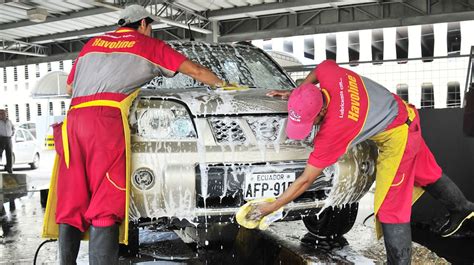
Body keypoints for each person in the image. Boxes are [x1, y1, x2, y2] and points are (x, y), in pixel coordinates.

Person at [45, 5, 228, 265]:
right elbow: (196, 72)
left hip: (73, 122)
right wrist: (226, 85)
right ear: (143, 23)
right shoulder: (147, 44)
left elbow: (70, 86)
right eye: (150, 26)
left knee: (73, 196)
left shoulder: (91, 45)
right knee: (105, 197)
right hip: (104, 124)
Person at [250, 59, 474, 264]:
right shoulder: (331, 76)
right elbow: (321, 68)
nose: (309, 128)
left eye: (311, 122)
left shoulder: (337, 127)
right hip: (406, 115)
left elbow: (306, 179)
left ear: (323, 110)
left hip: (398, 137)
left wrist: (273, 206)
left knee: (390, 207)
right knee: (428, 172)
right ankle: (462, 209)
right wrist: (299, 92)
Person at [0, 109, 14, 174]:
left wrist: (12, 134)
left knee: (9, 154)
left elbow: (13, 128)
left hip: (8, 139)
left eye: (3, 113)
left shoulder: (9, 121)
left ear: (6, 114)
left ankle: (9, 168)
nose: (2, 115)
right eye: (0, 114)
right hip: (1, 139)